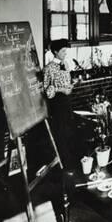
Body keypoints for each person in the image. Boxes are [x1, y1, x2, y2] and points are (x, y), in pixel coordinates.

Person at [43, 38, 77, 168]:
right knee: (61, 133)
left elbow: (67, 82)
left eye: (65, 51)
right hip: (57, 105)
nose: (65, 53)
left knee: (70, 131)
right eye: (63, 51)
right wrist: (61, 89)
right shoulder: (48, 69)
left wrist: (70, 86)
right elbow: (47, 92)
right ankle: (65, 163)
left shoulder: (66, 64)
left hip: (67, 102)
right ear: (55, 52)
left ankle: (71, 161)